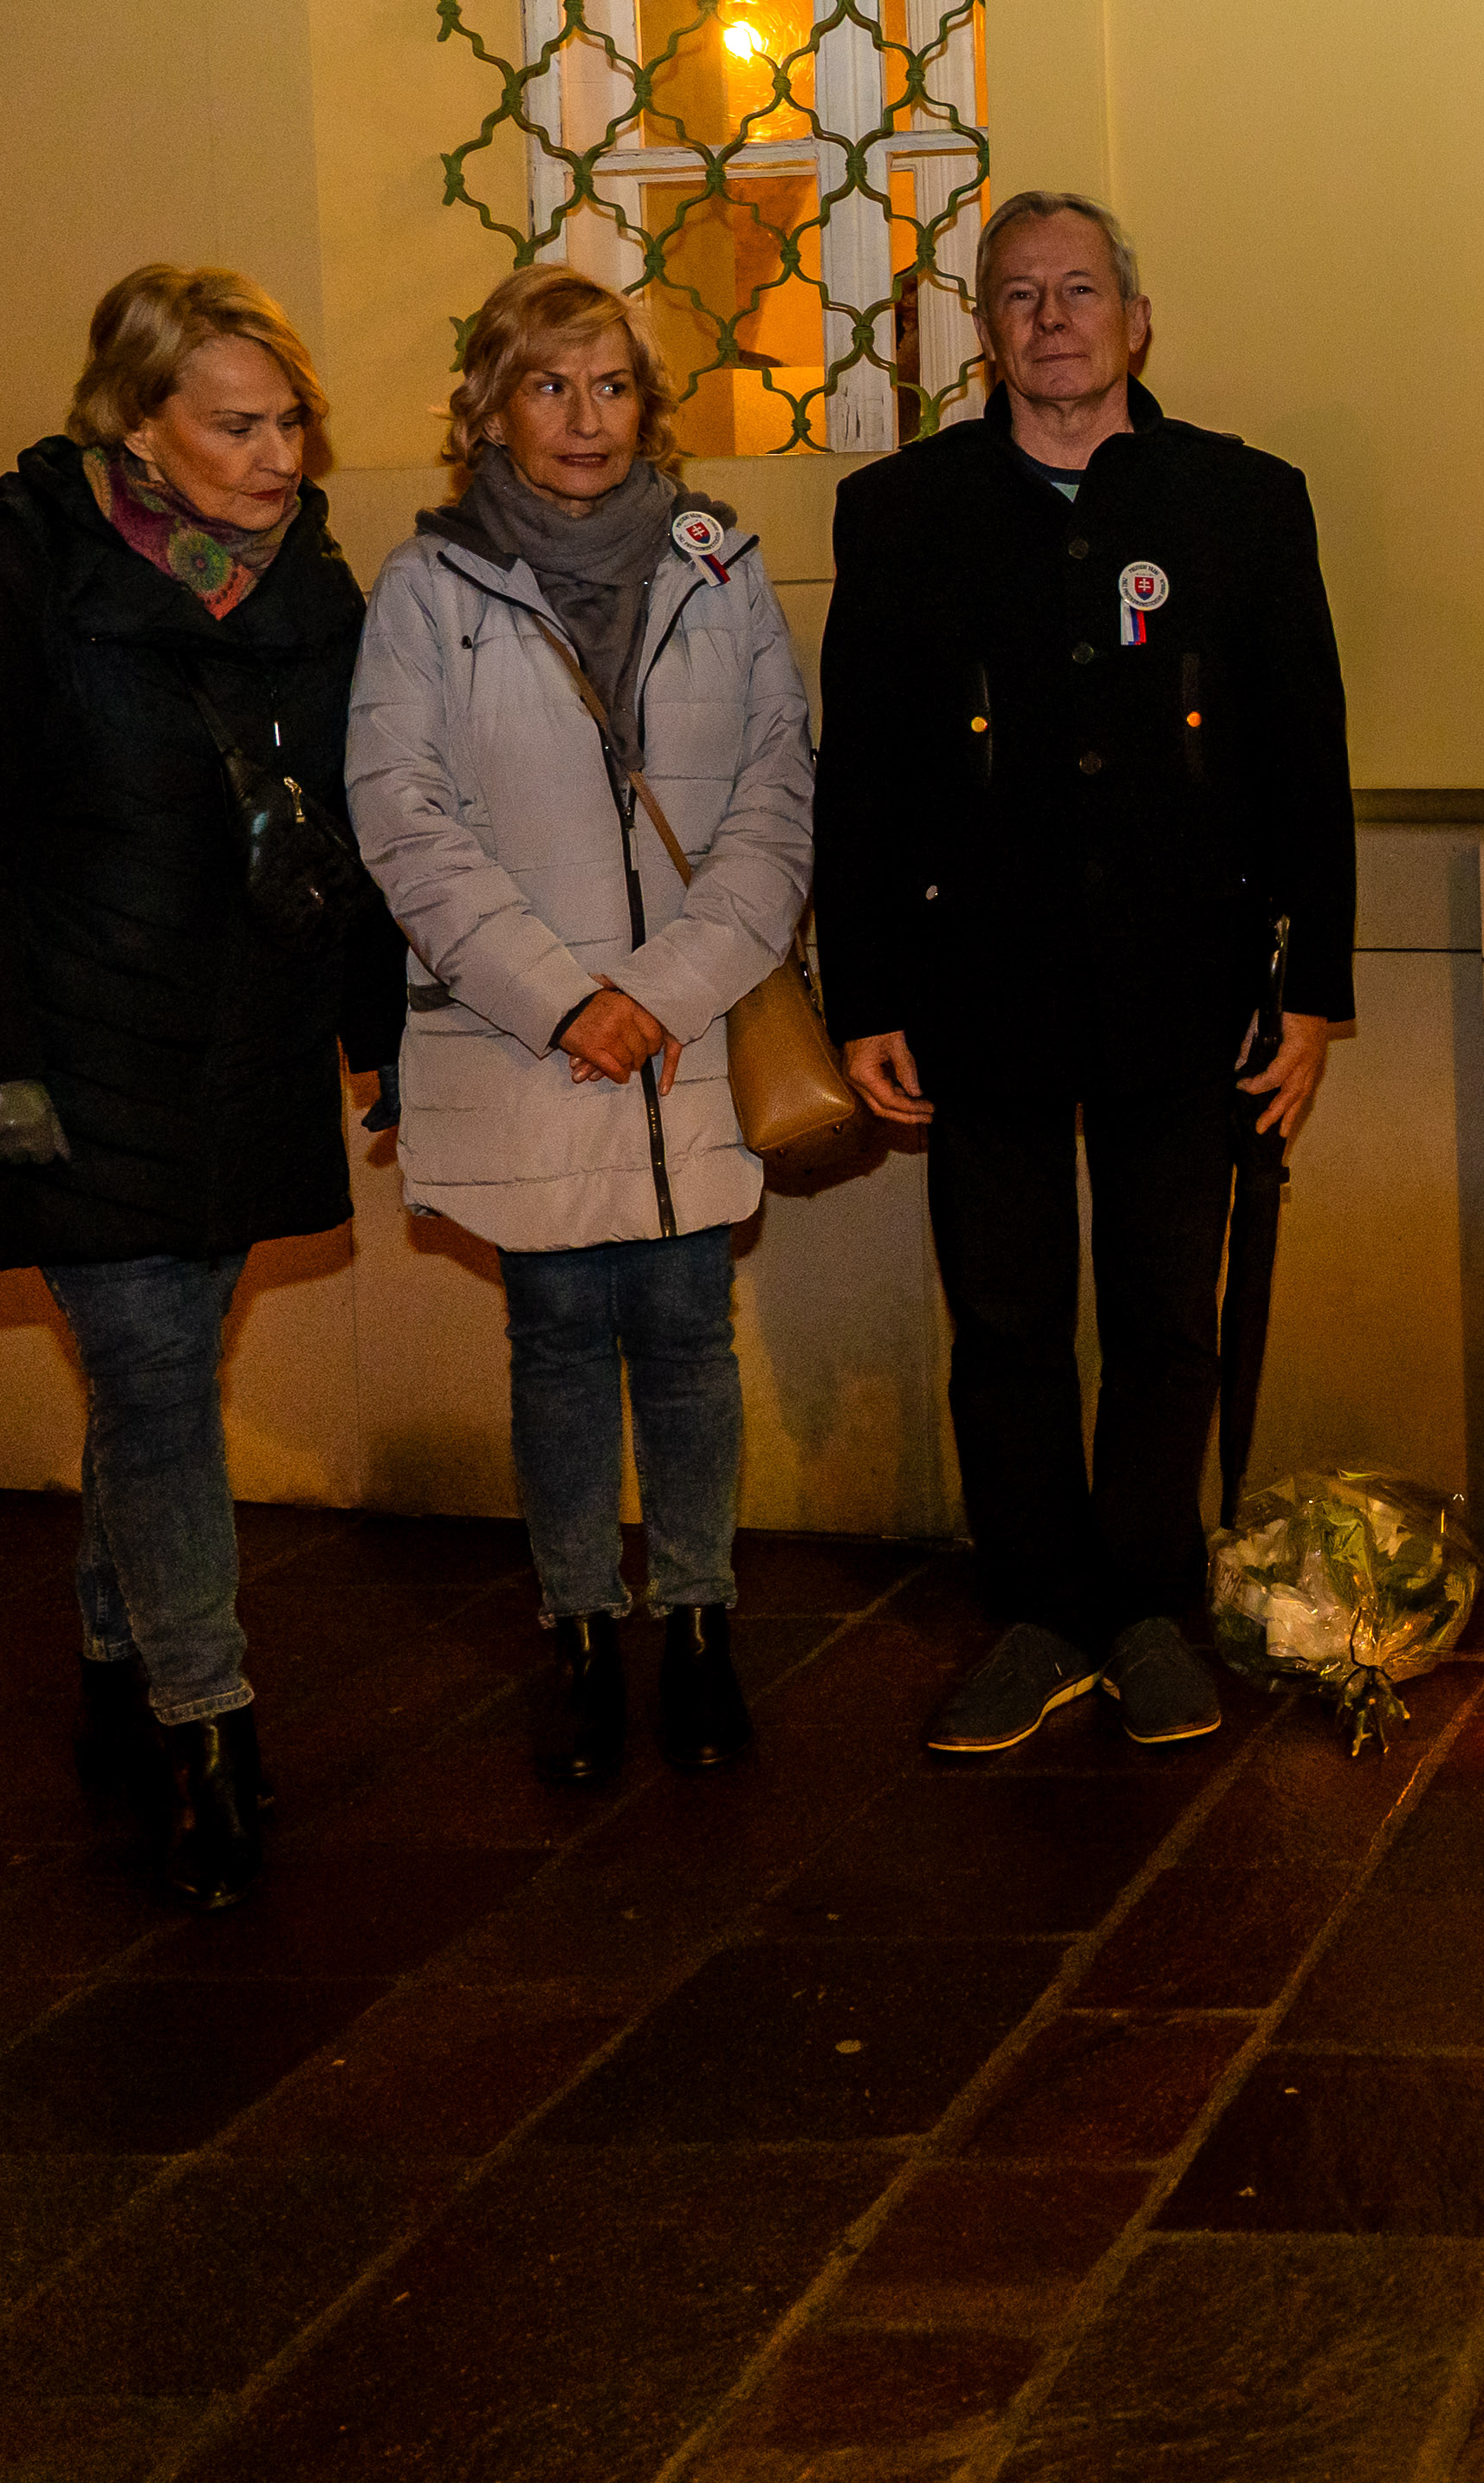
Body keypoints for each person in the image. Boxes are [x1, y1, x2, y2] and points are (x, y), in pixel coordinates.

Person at [815, 191, 1357, 1757]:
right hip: (978, 986)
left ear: (1137, 320)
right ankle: (1036, 1609)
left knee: (1164, 1315)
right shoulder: (903, 515)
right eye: (1019, 296)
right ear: (985, 333)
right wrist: (864, 994)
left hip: (1187, 990)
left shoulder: (1242, 506)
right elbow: (862, 776)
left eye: (1081, 290)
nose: (1052, 319)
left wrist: (1310, 983)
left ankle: (1146, 1608)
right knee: (1005, 1319)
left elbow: (1306, 760)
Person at [0, 263, 395, 1911]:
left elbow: (372, 823)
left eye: (291, 419)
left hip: (246, 1049)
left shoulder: (318, 592)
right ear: (140, 429)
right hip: (70, 1052)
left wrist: (380, 1025)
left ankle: (111, 1652)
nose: (278, 454)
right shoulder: (18, 577)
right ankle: (208, 1723)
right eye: (237, 424)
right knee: (164, 1376)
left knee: (164, 1365)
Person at [347, 264, 818, 1788]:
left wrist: (663, 992)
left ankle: (696, 1624)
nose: (584, 418)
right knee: (556, 1342)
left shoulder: (717, 559)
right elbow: (403, 820)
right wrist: (569, 1002)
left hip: (681, 1028)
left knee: (687, 1334)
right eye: (549, 386)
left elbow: (776, 795)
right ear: (487, 406)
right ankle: (578, 1630)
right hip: (524, 1034)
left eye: (611, 386)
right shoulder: (427, 590)